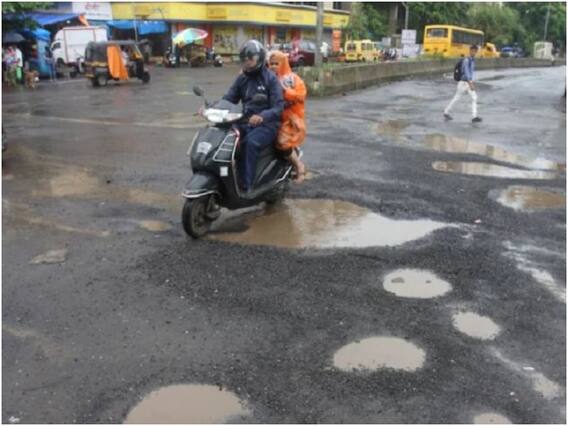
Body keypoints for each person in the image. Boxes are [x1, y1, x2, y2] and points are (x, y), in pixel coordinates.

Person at [222, 40, 284, 191]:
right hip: (245, 121)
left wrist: (263, 116)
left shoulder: (270, 79)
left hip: (268, 124)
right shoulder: (242, 78)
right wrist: (211, 108)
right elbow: (229, 98)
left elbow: (278, 107)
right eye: (245, 58)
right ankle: (226, 177)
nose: (248, 61)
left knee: (250, 143)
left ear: (260, 57)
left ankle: (247, 185)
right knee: (225, 137)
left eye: (251, 58)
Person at [268, 50, 307, 183]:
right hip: (272, 117)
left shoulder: (293, 79)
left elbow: (301, 95)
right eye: (271, 64)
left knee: (282, 142)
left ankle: (299, 167)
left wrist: (285, 91)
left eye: (276, 63)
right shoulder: (267, 78)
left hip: (291, 119)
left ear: (283, 63)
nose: (273, 66)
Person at [444, 44, 482, 123]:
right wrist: (470, 83)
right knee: (458, 98)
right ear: (470, 51)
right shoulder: (467, 60)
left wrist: (470, 82)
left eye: (475, 51)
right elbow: (466, 72)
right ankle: (446, 112)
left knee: (473, 98)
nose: (474, 53)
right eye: (473, 51)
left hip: (466, 82)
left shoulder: (472, 60)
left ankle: (474, 116)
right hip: (464, 82)